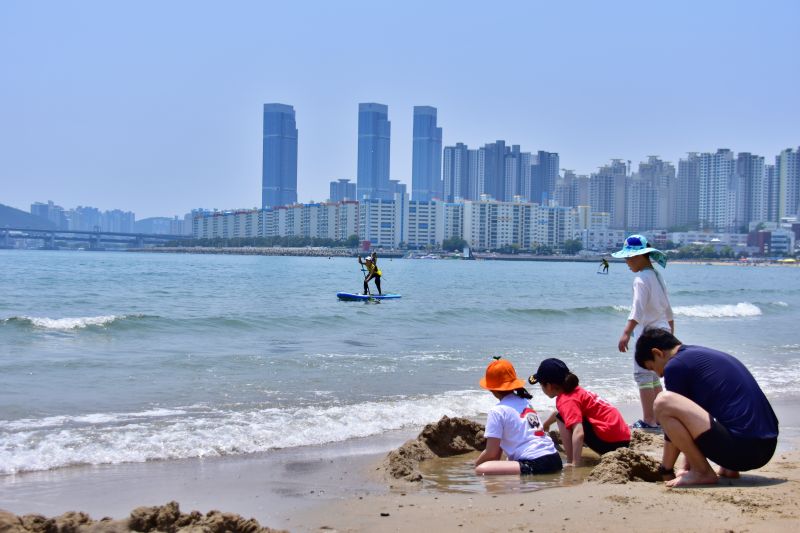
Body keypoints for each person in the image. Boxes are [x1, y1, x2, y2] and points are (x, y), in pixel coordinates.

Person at [635, 328, 779, 487]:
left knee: (662, 402)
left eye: (652, 368)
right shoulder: (700, 355)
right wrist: (686, 467)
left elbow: (672, 426)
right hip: (766, 448)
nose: (659, 375)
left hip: (743, 451)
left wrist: (666, 470)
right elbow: (691, 420)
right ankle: (727, 469)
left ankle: (702, 471)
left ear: (657, 353)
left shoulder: (675, 365)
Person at [612, 234, 674, 430]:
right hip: (662, 332)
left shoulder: (640, 279)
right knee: (654, 376)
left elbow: (637, 309)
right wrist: (671, 332)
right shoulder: (657, 276)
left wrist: (626, 333)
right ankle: (660, 418)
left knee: (643, 376)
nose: (626, 262)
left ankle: (648, 419)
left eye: (628, 258)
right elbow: (667, 308)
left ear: (639, 256)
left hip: (647, 336)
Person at [530, 358, 630, 466]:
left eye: (541, 385)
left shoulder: (566, 400)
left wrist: (575, 464)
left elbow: (579, 432)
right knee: (563, 415)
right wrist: (546, 424)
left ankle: (570, 459)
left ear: (549, 386)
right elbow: (562, 413)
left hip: (610, 444)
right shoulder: (576, 391)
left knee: (561, 418)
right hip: (624, 439)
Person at [474, 357, 562, 476]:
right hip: (555, 459)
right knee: (504, 462)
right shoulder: (525, 401)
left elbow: (491, 454)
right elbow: (497, 450)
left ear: (491, 389)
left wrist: (475, 466)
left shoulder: (497, 411)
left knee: (481, 469)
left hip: (536, 463)